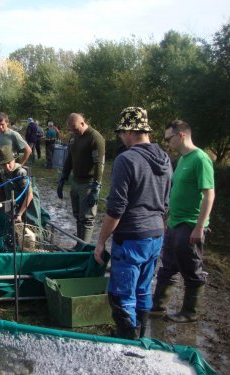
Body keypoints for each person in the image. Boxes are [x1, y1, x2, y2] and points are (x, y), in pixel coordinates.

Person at [94, 107, 172, 339]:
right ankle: (140, 333)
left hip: (132, 237)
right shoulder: (165, 159)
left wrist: (100, 241)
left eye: (121, 133)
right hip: (156, 234)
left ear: (129, 131)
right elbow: (166, 200)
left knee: (121, 293)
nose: (120, 137)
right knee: (143, 288)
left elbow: (116, 209)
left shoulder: (126, 160)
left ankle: (126, 340)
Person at [151, 120, 215, 323]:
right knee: (167, 266)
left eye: (168, 139)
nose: (166, 143)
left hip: (190, 224)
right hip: (175, 223)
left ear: (180, 136)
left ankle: (190, 312)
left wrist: (199, 227)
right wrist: (167, 219)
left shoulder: (200, 159)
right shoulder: (182, 159)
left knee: (191, 269)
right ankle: (157, 306)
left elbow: (209, 195)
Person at [56, 113, 105, 243]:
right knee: (78, 216)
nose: (73, 132)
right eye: (71, 129)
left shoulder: (95, 138)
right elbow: (70, 158)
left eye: (76, 129)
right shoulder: (74, 137)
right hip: (76, 181)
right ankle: (79, 244)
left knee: (87, 218)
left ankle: (85, 248)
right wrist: (63, 177)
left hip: (88, 184)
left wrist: (96, 187)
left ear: (82, 123)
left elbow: (99, 164)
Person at [0, 145, 35, 225]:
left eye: (8, 163)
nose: (7, 167)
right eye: (3, 164)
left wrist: (19, 214)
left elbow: (30, 195)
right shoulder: (3, 173)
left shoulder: (20, 173)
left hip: (23, 208)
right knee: (7, 222)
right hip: (10, 204)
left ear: (14, 160)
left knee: (20, 227)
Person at [0, 112, 31, 203]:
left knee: (11, 200)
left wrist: (20, 164)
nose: (0, 127)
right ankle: (0, 215)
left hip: (10, 171)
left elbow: (28, 150)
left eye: (2, 124)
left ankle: (15, 215)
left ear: (7, 122)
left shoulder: (13, 135)